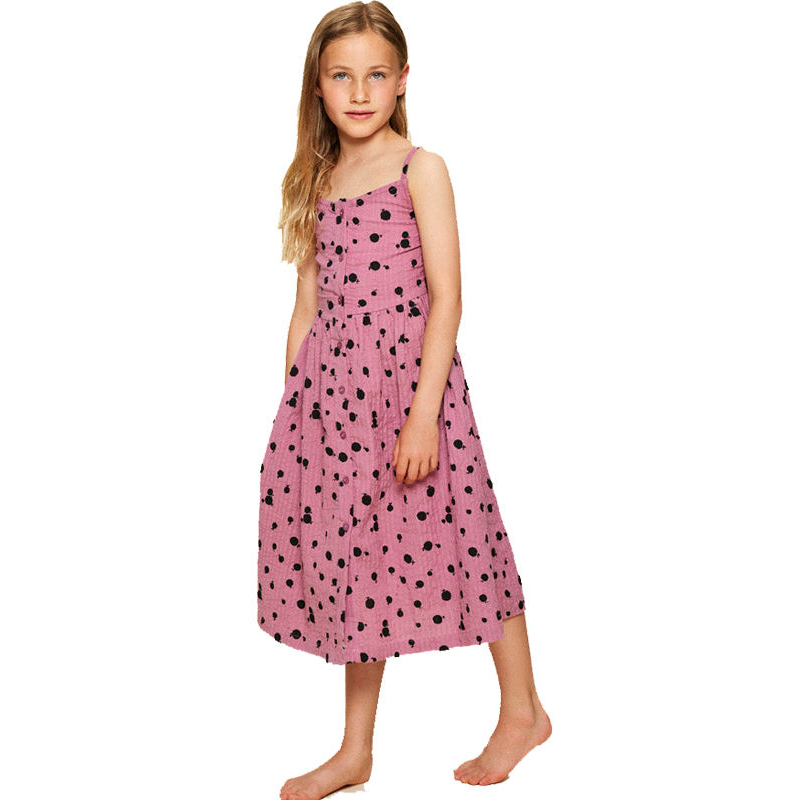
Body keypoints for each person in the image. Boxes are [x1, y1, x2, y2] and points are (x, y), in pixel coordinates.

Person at [257, 3, 551, 798]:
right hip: (335, 405)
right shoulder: (316, 179)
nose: (359, 92)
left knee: (469, 534)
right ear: (318, 87)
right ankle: (355, 751)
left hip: (414, 390)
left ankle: (523, 709)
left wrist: (423, 415)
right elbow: (307, 303)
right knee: (357, 557)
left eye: (376, 74)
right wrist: (294, 413)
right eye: (341, 76)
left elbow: (448, 297)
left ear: (403, 81)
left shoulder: (421, 168)